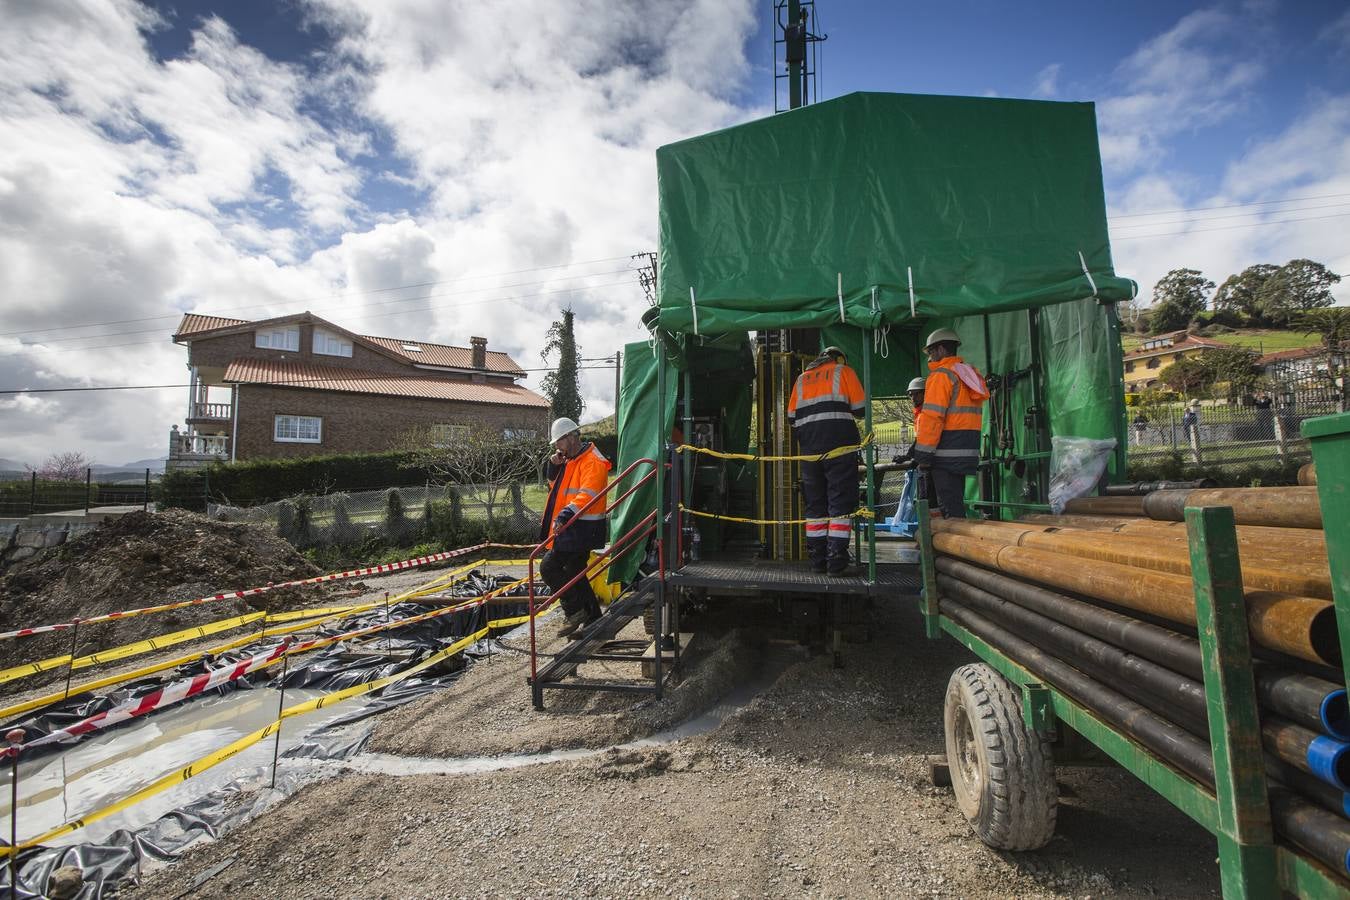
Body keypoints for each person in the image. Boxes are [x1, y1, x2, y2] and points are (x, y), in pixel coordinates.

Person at [787, 346, 866, 575]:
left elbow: (792, 418)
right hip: (840, 447)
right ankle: (836, 559)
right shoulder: (843, 372)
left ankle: (817, 560)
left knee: (815, 505)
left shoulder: (801, 380)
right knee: (840, 502)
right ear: (838, 359)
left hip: (810, 449)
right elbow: (860, 408)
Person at [539, 417, 612, 638]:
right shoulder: (572, 460)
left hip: (583, 527)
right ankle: (593, 619)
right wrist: (554, 467)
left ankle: (574, 611)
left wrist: (565, 514)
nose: (557, 447)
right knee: (574, 571)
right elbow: (557, 489)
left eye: (559, 442)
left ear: (571, 438)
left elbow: (587, 494)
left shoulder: (593, 461)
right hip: (575, 526)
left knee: (548, 567)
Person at [913, 328, 989, 519]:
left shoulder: (941, 375)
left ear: (940, 350)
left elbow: (933, 418)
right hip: (966, 450)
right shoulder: (968, 374)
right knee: (955, 503)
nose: (930, 357)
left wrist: (922, 455)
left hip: (945, 453)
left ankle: (953, 547)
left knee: (950, 509)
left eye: (931, 352)